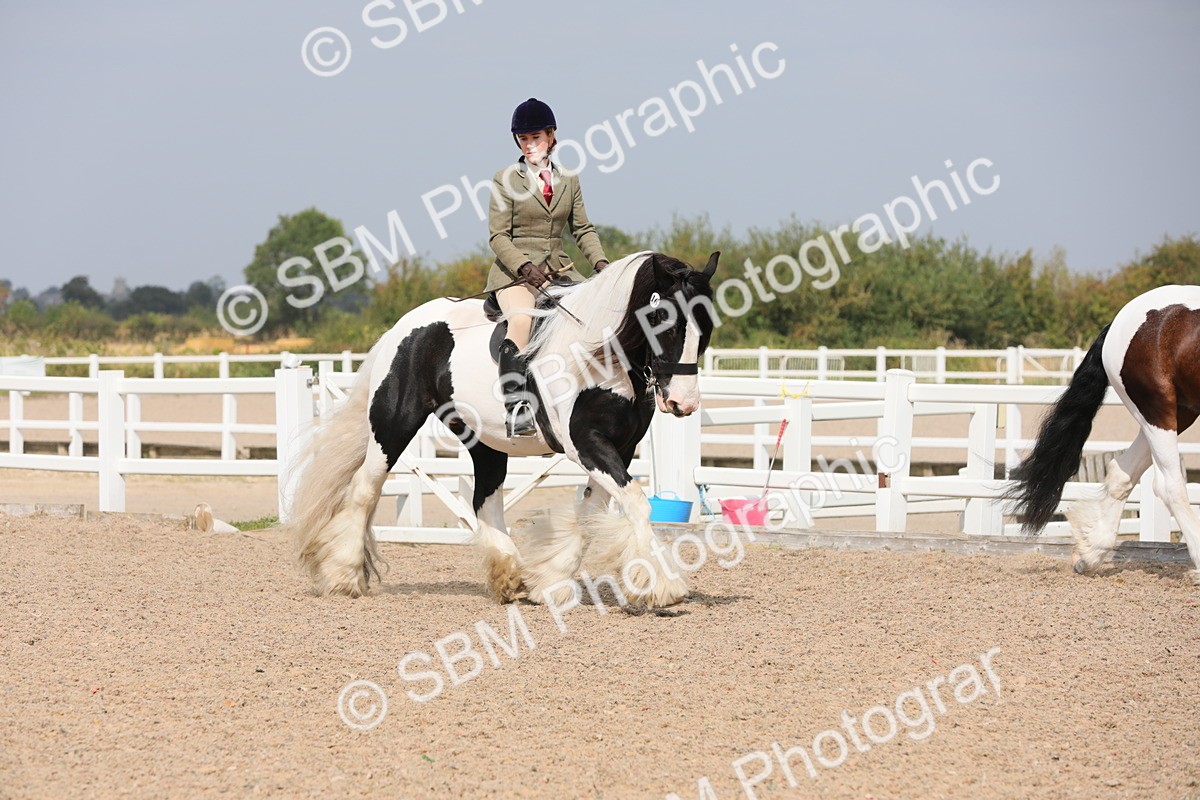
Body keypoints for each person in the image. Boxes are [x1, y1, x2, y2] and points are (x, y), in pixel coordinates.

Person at [486, 98, 609, 438]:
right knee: (523, 321)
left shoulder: (568, 179)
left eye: (536, 137)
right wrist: (524, 266)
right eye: (523, 139)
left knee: (593, 315)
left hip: (559, 270)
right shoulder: (504, 179)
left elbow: (582, 229)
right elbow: (498, 236)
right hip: (514, 276)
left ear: (552, 137)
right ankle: (518, 406)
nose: (530, 145)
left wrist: (601, 264)